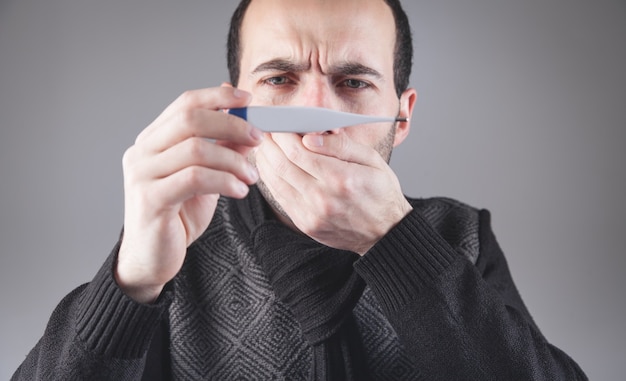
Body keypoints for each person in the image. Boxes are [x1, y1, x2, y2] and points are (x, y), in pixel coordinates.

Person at [12, 0, 588, 380]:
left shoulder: (457, 236)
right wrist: (130, 283)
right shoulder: (174, 245)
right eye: (279, 80)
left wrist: (400, 245)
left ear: (402, 117)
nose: (316, 115)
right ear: (233, 102)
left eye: (354, 82)